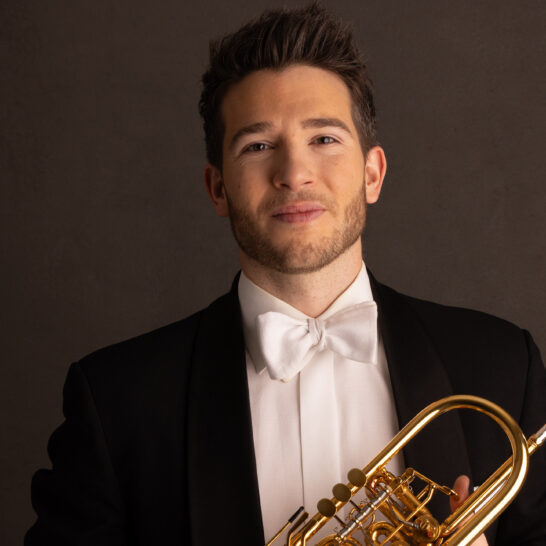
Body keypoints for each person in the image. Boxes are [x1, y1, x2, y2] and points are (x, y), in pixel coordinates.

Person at [26, 4, 546, 546]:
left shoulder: (504, 368)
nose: (294, 173)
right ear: (218, 189)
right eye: (258, 146)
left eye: (324, 139)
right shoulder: (116, 400)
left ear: (372, 174)